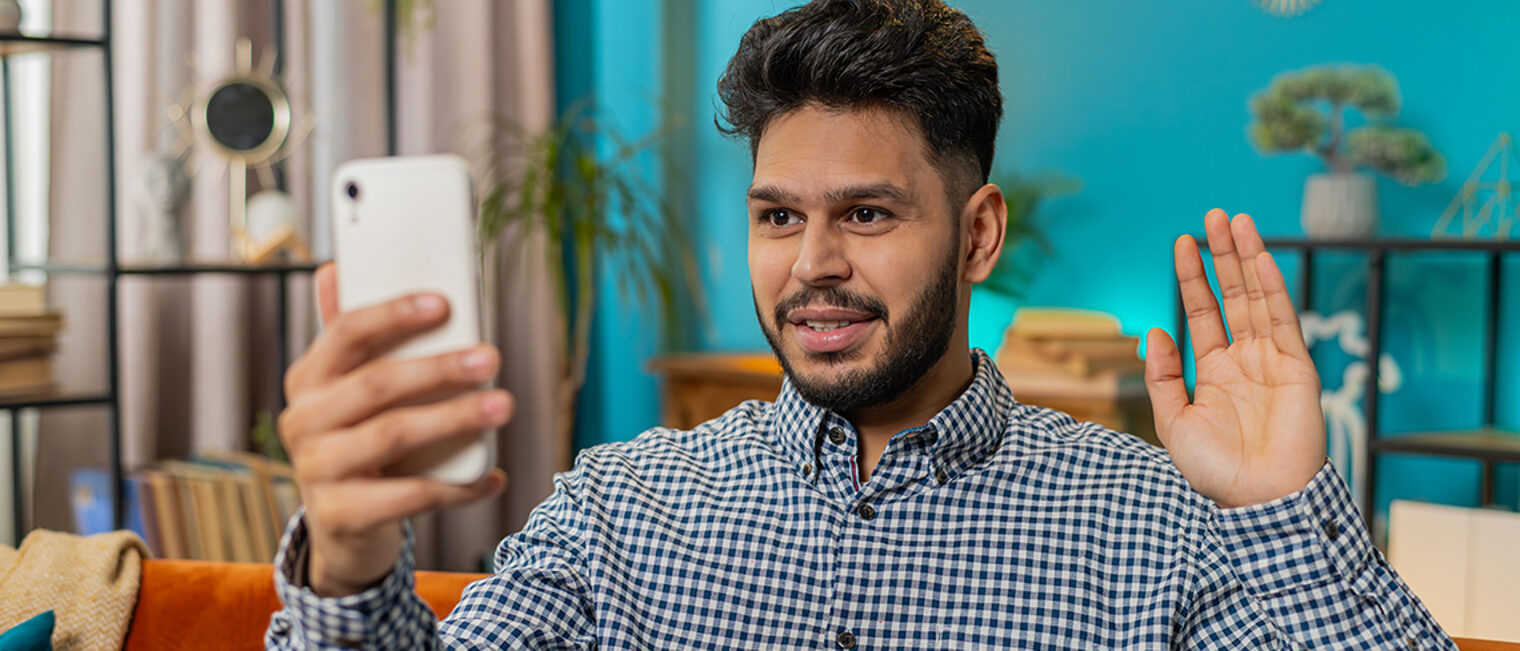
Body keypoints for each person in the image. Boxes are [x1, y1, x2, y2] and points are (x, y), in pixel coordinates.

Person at [267, 0, 1454, 648]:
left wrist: (1284, 519)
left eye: (867, 213)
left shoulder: (1156, 525)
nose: (812, 267)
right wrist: (351, 563)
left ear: (978, 235)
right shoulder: (614, 510)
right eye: (777, 215)